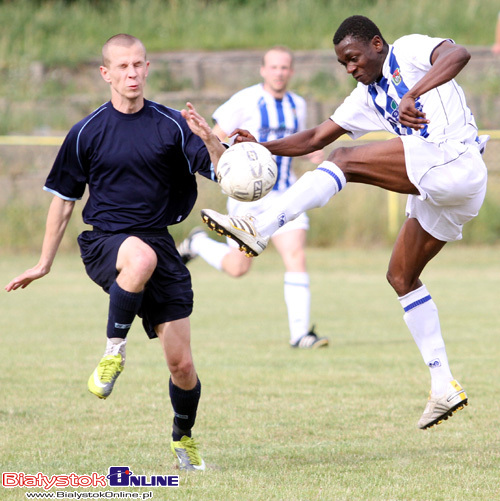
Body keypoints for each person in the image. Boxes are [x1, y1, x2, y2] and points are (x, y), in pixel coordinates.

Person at [196, 15, 489, 430]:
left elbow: (458, 53)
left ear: (376, 44)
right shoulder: (365, 96)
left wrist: (415, 93)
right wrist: (260, 145)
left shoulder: (407, 50)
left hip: (456, 160)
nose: (351, 69)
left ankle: (259, 226)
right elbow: (316, 137)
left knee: (344, 162)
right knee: (401, 277)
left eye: (353, 59)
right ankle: (443, 384)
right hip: (442, 181)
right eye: (343, 65)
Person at [4, 34, 226, 470]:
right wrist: (44, 262)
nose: (132, 73)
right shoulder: (87, 131)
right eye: (122, 66)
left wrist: (213, 141)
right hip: (107, 240)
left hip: (160, 240)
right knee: (138, 257)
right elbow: (63, 199)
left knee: (181, 364)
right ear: (106, 73)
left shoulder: (173, 124)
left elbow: (222, 171)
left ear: (147, 68)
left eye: (139, 65)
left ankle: (183, 438)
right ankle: (113, 352)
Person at [177, 46, 328, 349]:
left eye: (285, 67)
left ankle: (300, 336)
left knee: (296, 256)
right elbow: (216, 137)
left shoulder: (297, 105)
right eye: (273, 67)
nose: (279, 72)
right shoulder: (245, 101)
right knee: (238, 267)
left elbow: (299, 142)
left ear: (292, 72)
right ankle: (197, 243)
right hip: (247, 200)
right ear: (263, 70)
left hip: (286, 193)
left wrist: (313, 153)